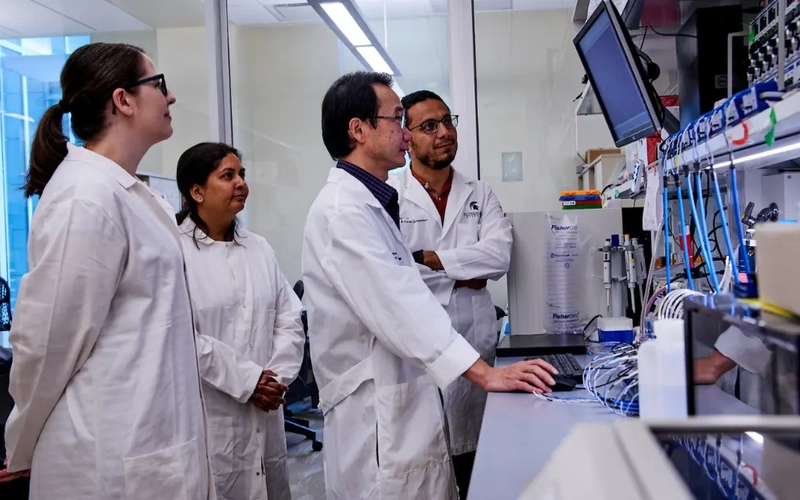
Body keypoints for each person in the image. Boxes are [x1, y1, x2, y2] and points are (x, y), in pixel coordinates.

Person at [301, 71, 557, 499]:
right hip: (377, 415)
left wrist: (438, 264)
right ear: (359, 130)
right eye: (396, 119)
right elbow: (400, 304)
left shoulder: (373, 203)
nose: (405, 133)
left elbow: (486, 260)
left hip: (405, 395)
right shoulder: (344, 212)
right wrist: (485, 374)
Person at [0, 42, 216, 499]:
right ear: (123, 100)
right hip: (105, 462)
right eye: (158, 85)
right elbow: (46, 342)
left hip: (149, 449)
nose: (170, 96)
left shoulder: (129, 194)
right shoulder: (86, 197)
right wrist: (19, 445)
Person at [386, 90, 512, 499]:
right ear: (407, 137)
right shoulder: (389, 197)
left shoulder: (480, 193)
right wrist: (463, 271)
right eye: (429, 126)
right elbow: (395, 272)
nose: (444, 132)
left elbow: (498, 256)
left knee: (477, 468)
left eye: (447, 121)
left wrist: (432, 260)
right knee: (425, 467)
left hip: (474, 343)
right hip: (417, 355)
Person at [176, 142, 305, 500]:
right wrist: (248, 380)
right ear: (196, 191)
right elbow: (178, 334)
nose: (241, 184)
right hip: (211, 410)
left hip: (267, 406)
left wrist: (274, 379)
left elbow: (289, 317)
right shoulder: (173, 251)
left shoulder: (259, 248)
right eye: (228, 176)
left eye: (242, 174)